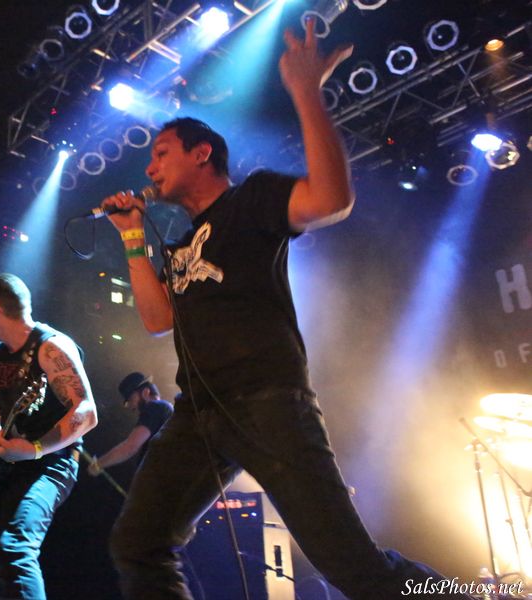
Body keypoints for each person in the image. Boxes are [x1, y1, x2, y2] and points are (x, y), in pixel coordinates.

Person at [98, 18, 472, 600]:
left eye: (162, 153)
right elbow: (156, 318)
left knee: (354, 568)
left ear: (202, 154)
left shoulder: (252, 199)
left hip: (267, 400)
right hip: (199, 413)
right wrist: (130, 237)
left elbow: (332, 198)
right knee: (137, 542)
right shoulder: (179, 244)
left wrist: (306, 91)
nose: (149, 169)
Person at [0, 273, 98, 599]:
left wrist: (34, 448)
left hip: (53, 463)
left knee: (15, 545)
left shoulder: (51, 347)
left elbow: (87, 412)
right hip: (9, 464)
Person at [87, 372, 173, 477]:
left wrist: (98, 464)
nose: (132, 407)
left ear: (145, 392)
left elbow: (130, 446)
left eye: (131, 399)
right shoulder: (165, 410)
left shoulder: (155, 407)